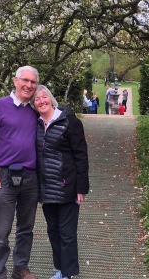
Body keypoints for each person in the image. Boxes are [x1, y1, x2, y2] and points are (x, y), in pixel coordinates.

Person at [0, 66, 40, 279]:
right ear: (15, 81)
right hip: (3, 176)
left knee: (26, 228)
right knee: (1, 231)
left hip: (31, 177)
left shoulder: (36, 110)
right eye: (25, 80)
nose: (29, 85)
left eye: (33, 82)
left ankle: (20, 268)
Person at [32, 84, 89, 279]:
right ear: (34, 104)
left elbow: (81, 156)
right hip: (47, 189)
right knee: (53, 231)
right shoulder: (37, 124)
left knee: (67, 233)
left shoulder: (69, 122)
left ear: (51, 98)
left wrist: (81, 187)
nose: (41, 101)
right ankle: (60, 268)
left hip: (67, 188)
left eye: (44, 97)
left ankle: (68, 273)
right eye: (37, 99)